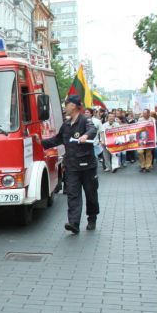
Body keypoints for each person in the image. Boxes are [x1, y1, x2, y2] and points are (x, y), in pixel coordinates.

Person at [42, 95, 99, 233]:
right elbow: (56, 140)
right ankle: (74, 223)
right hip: (72, 166)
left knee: (90, 194)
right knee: (73, 194)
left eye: (66, 104)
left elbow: (92, 130)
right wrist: (39, 142)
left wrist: (86, 136)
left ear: (73, 106)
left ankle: (92, 218)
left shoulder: (85, 121)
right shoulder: (66, 125)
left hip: (87, 166)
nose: (65, 107)